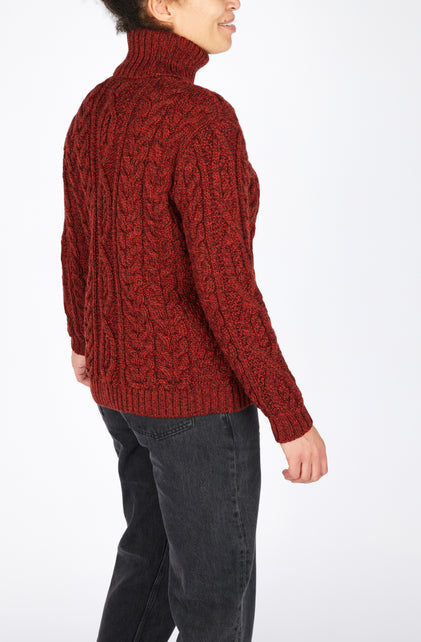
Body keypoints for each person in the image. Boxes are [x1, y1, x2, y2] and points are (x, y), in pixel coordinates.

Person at [61, 0, 328, 639]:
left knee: (148, 564)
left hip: (121, 393)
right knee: (214, 599)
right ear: (160, 6)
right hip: (196, 402)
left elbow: (77, 240)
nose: (234, 1)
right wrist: (290, 417)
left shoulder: (97, 106)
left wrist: (83, 337)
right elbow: (227, 290)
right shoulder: (200, 118)